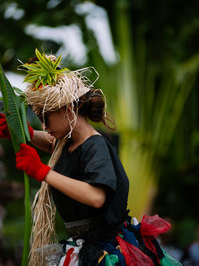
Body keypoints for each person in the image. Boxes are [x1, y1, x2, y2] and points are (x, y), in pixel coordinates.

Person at [0, 50, 176, 265]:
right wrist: (23, 132)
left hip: (104, 250)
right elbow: (53, 144)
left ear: (68, 109)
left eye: (46, 118)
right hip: (84, 245)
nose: (44, 127)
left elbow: (96, 197)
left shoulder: (95, 145)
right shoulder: (69, 142)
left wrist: (42, 171)